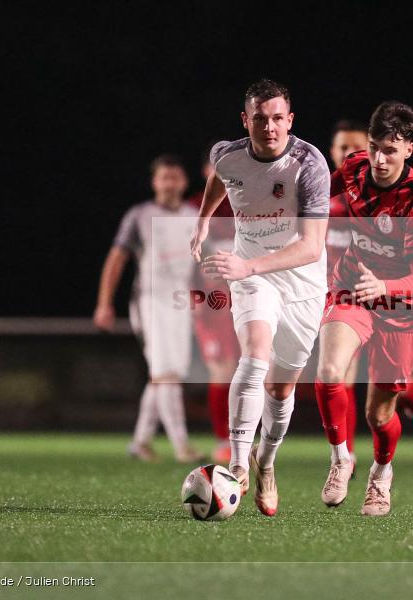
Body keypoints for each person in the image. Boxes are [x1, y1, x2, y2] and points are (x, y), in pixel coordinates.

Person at [191, 79, 330, 517]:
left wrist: (246, 266)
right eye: (259, 118)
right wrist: (202, 222)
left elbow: (310, 246)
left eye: (276, 119)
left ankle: (266, 464)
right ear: (244, 120)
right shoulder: (225, 154)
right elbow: (222, 179)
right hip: (251, 274)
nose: (268, 127)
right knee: (254, 356)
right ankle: (236, 465)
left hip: (303, 280)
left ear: (290, 121)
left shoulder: (309, 165)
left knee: (282, 385)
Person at [315, 102, 413, 516]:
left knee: (378, 413)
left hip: (400, 306)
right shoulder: (353, 169)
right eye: (374, 148)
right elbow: (316, 196)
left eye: (390, 149)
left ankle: (381, 474)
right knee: (330, 372)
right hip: (351, 286)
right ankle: (340, 461)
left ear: (408, 150)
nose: (379, 159)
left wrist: (383, 286)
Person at [94, 154, 203, 463]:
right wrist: (104, 303)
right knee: (166, 373)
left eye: (175, 177)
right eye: (163, 177)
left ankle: (140, 442)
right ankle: (182, 446)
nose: (170, 183)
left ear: (184, 182)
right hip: (150, 302)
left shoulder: (194, 215)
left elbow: (201, 263)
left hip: (180, 303)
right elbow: (116, 259)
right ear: (154, 182)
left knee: (166, 374)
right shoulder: (140, 215)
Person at [188, 149, 240, 464]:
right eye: (216, 169)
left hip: (246, 297)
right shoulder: (194, 208)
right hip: (211, 303)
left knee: (250, 371)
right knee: (221, 371)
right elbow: (184, 258)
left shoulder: (248, 205)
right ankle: (225, 440)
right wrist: (194, 294)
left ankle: (243, 437)